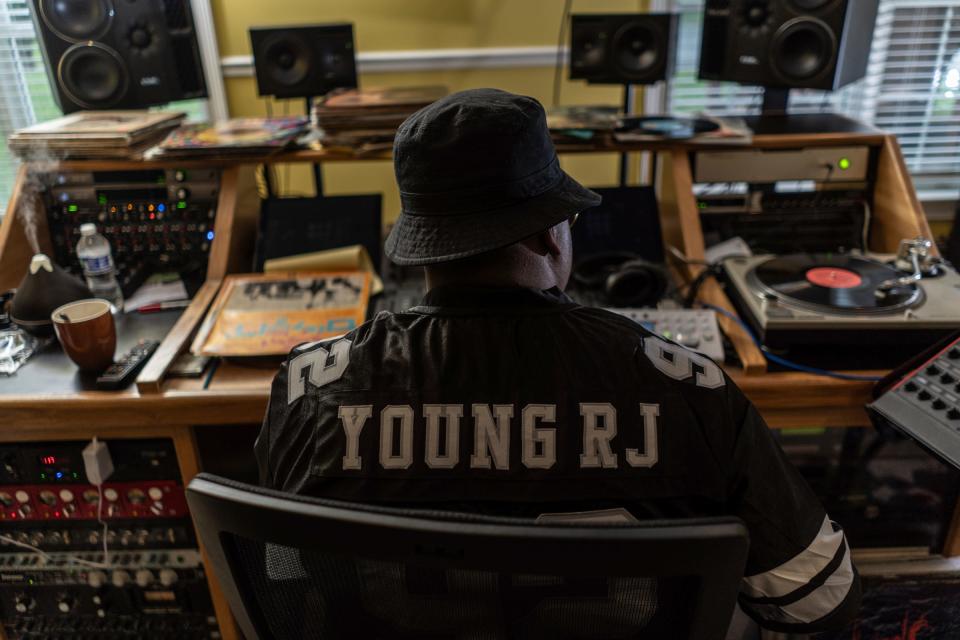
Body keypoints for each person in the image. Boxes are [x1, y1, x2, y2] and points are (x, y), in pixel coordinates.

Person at [255, 88, 860, 634]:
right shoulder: (691, 388)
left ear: (419, 247)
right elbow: (816, 598)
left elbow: (285, 578)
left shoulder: (311, 389)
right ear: (551, 234)